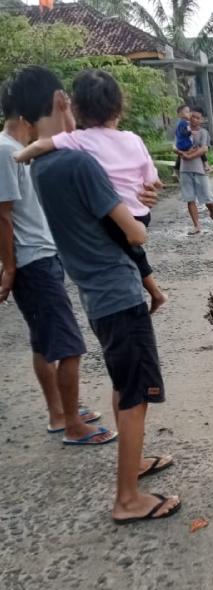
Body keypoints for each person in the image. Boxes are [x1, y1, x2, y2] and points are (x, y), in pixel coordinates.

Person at [8, 66, 179, 524]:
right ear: (62, 102)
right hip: (117, 291)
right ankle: (128, 499)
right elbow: (134, 232)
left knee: (124, 384)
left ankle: (134, 461)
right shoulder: (80, 162)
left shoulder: (46, 164)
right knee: (136, 394)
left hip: (95, 289)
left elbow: (103, 211)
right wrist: (141, 212)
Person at [1, 80, 115, 445]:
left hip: (38, 257)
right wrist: (11, 267)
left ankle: (61, 411)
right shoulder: (6, 151)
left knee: (44, 342)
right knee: (69, 345)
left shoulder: (19, 149)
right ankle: (71, 425)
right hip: (32, 261)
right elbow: (2, 216)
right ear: (29, 114)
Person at [13, 69, 167, 313]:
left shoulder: (79, 142)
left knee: (132, 246)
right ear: (119, 107)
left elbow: (44, 144)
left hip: (117, 221)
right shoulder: (133, 138)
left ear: (77, 108)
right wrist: (146, 188)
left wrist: (21, 154)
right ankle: (156, 291)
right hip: (139, 212)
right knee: (134, 249)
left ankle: (155, 291)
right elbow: (152, 180)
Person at [177, 106, 213, 235]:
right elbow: (175, 146)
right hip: (185, 169)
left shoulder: (203, 132)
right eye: (192, 116)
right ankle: (197, 225)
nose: (194, 119)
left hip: (200, 169)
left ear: (201, 120)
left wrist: (189, 155)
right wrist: (180, 152)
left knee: (207, 197)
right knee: (190, 199)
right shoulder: (181, 130)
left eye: (197, 118)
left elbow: (204, 149)